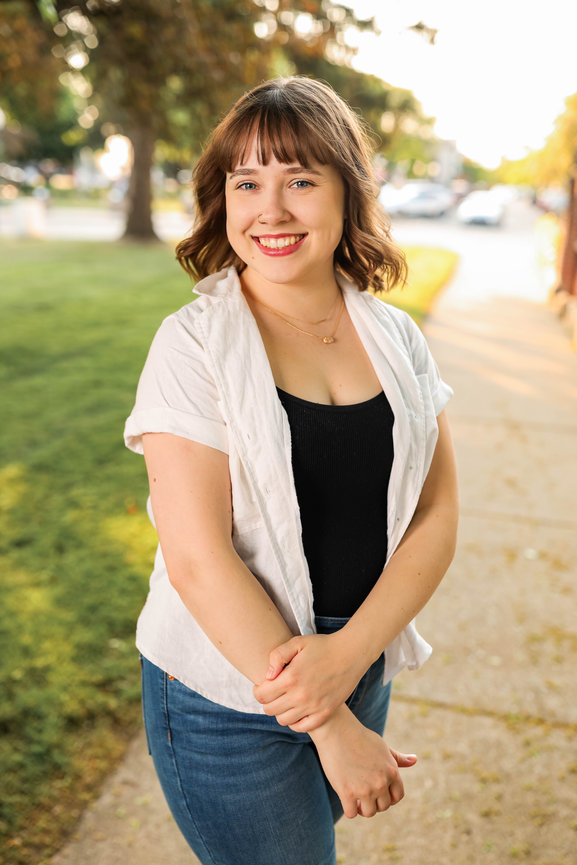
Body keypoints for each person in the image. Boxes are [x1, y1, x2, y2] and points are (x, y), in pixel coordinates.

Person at [124, 76, 458, 865]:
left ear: (348, 191)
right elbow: (197, 559)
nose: (269, 210)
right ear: (222, 199)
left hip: (359, 660)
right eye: (247, 183)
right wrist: (330, 723)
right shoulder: (193, 343)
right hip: (225, 692)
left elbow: (435, 517)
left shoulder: (396, 335)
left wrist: (349, 661)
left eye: (300, 180)